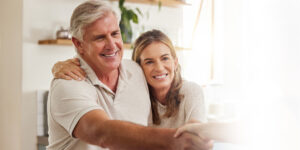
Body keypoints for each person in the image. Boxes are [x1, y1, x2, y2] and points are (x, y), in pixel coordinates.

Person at [47, 0, 213, 150]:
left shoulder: (135, 71)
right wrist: (173, 140)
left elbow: (165, 82)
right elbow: (100, 132)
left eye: (115, 33)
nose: (111, 45)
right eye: (100, 38)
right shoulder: (68, 84)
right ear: (78, 44)